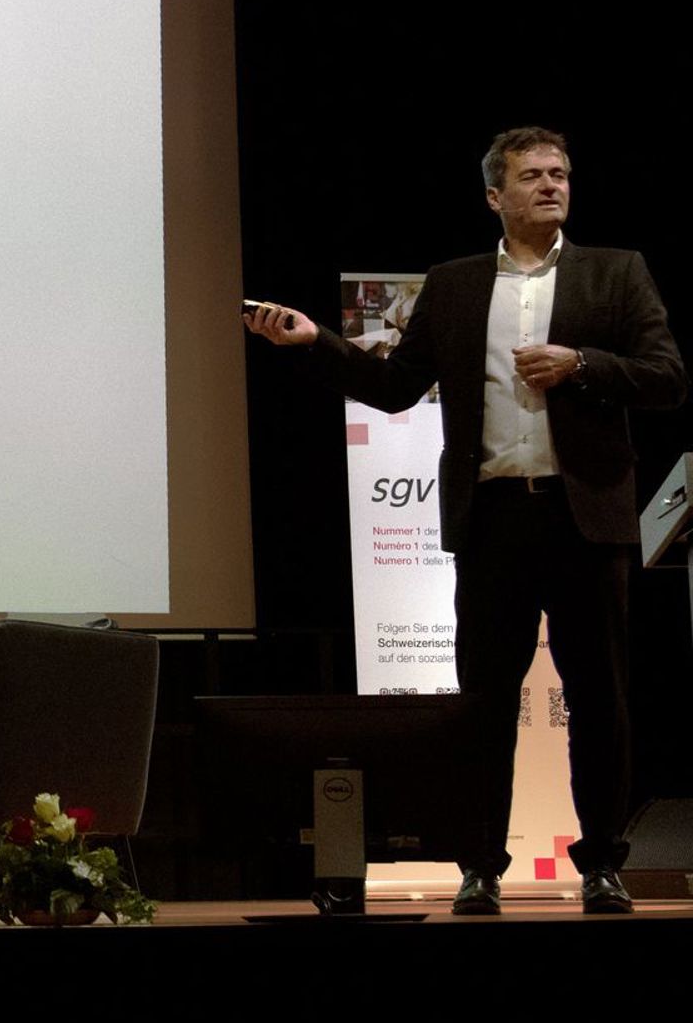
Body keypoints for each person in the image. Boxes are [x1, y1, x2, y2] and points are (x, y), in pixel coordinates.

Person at [245, 126, 686, 915]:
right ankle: (480, 865)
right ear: (494, 195)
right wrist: (315, 343)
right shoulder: (452, 285)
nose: (551, 185)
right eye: (532, 175)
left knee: (601, 701)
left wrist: (581, 364)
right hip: (493, 520)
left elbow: (667, 378)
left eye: (560, 173)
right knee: (483, 703)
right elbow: (395, 388)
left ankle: (602, 865)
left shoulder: (616, 272)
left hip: (585, 520)